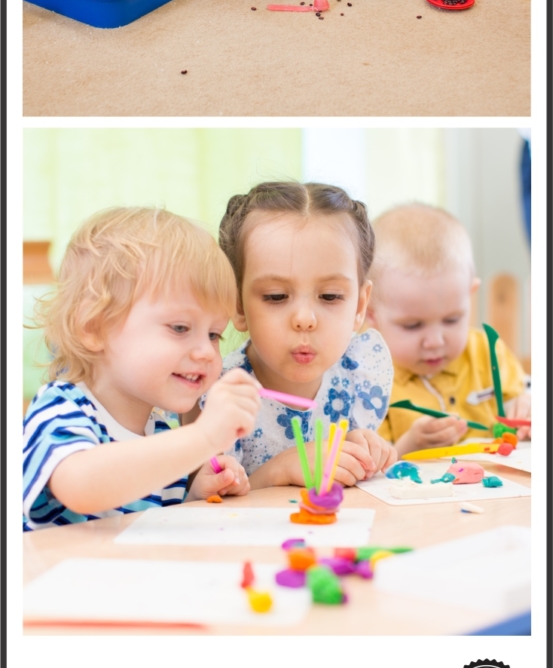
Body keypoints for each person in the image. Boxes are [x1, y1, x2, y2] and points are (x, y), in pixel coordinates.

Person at [23, 207, 260, 529]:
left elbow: (140, 524)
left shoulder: (159, 431)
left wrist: (194, 494)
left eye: (215, 334)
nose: (206, 351)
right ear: (93, 327)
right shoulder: (62, 408)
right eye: (179, 328)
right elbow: (81, 487)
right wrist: (203, 437)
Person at [218, 179, 395, 486]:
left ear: (359, 306)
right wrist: (281, 470)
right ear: (237, 304)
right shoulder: (221, 398)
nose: (304, 319)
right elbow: (199, 507)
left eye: (329, 296)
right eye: (275, 296)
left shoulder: (358, 378)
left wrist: (366, 452)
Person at [368, 204, 531, 448]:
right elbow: (369, 467)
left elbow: (518, 400)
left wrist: (522, 409)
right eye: (413, 325)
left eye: (451, 320)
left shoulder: (487, 353)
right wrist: (408, 445)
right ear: (370, 314)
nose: (435, 341)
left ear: (469, 296)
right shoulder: (368, 379)